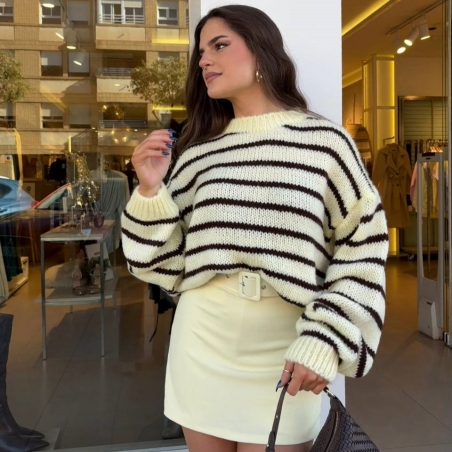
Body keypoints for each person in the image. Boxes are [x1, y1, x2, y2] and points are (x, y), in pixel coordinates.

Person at [121, 5, 389, 452]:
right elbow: (164, 265)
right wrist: (150, 191)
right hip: (202, 339)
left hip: (286, 345)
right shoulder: (199, 152)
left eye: (219, 45)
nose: (204, 60)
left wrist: (324, 339)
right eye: (200, 52)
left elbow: (364, 247)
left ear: (262, 51)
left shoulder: (325, 143)